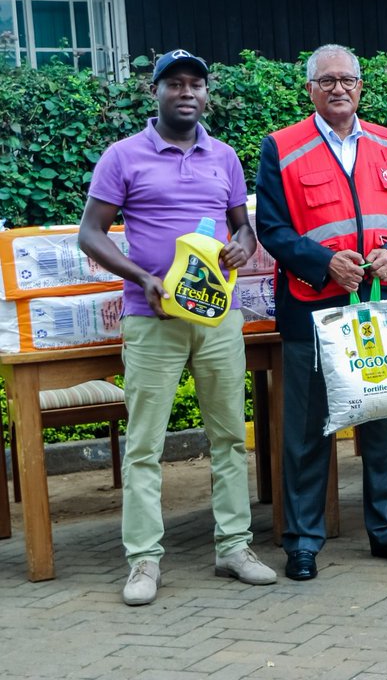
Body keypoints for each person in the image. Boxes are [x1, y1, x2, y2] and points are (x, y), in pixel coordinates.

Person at [79, 49, 277, 606]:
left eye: (196, 84)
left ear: (206, 94)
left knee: (229, 438)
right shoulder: (124, 156)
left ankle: (233, 547)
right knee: (144, 444)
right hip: (154, 317)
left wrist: (242, 246)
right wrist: (143, 278)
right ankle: (144, 561)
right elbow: (90, 234)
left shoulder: (225, 157)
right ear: (155, 92)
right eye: (175, 84)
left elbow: (243, 229)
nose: (186, 92)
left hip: (218, 317)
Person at [255, 44, 387, 581]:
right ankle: (302, 542)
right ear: (310, 90)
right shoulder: (281, 147)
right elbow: (273, 229)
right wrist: (325, 263)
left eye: (347, 80)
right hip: (314, 309)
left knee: (383, 422)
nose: (338, 88)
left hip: (379, 308)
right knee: (306, 431)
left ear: (360, 86)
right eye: (325, 80)